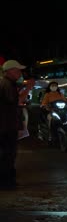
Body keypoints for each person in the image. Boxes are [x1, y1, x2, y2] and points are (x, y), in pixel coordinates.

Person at [0, 60, 34, 189]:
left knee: (7, 154)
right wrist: (29, 87)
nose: (20, 73)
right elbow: (17, 101)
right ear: (10, 71)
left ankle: (7, 181)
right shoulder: (7, 84)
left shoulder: (7, 83)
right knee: (8, 155)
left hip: (6, 125)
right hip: (6, 126)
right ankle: (6, 183)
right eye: (17, 70)